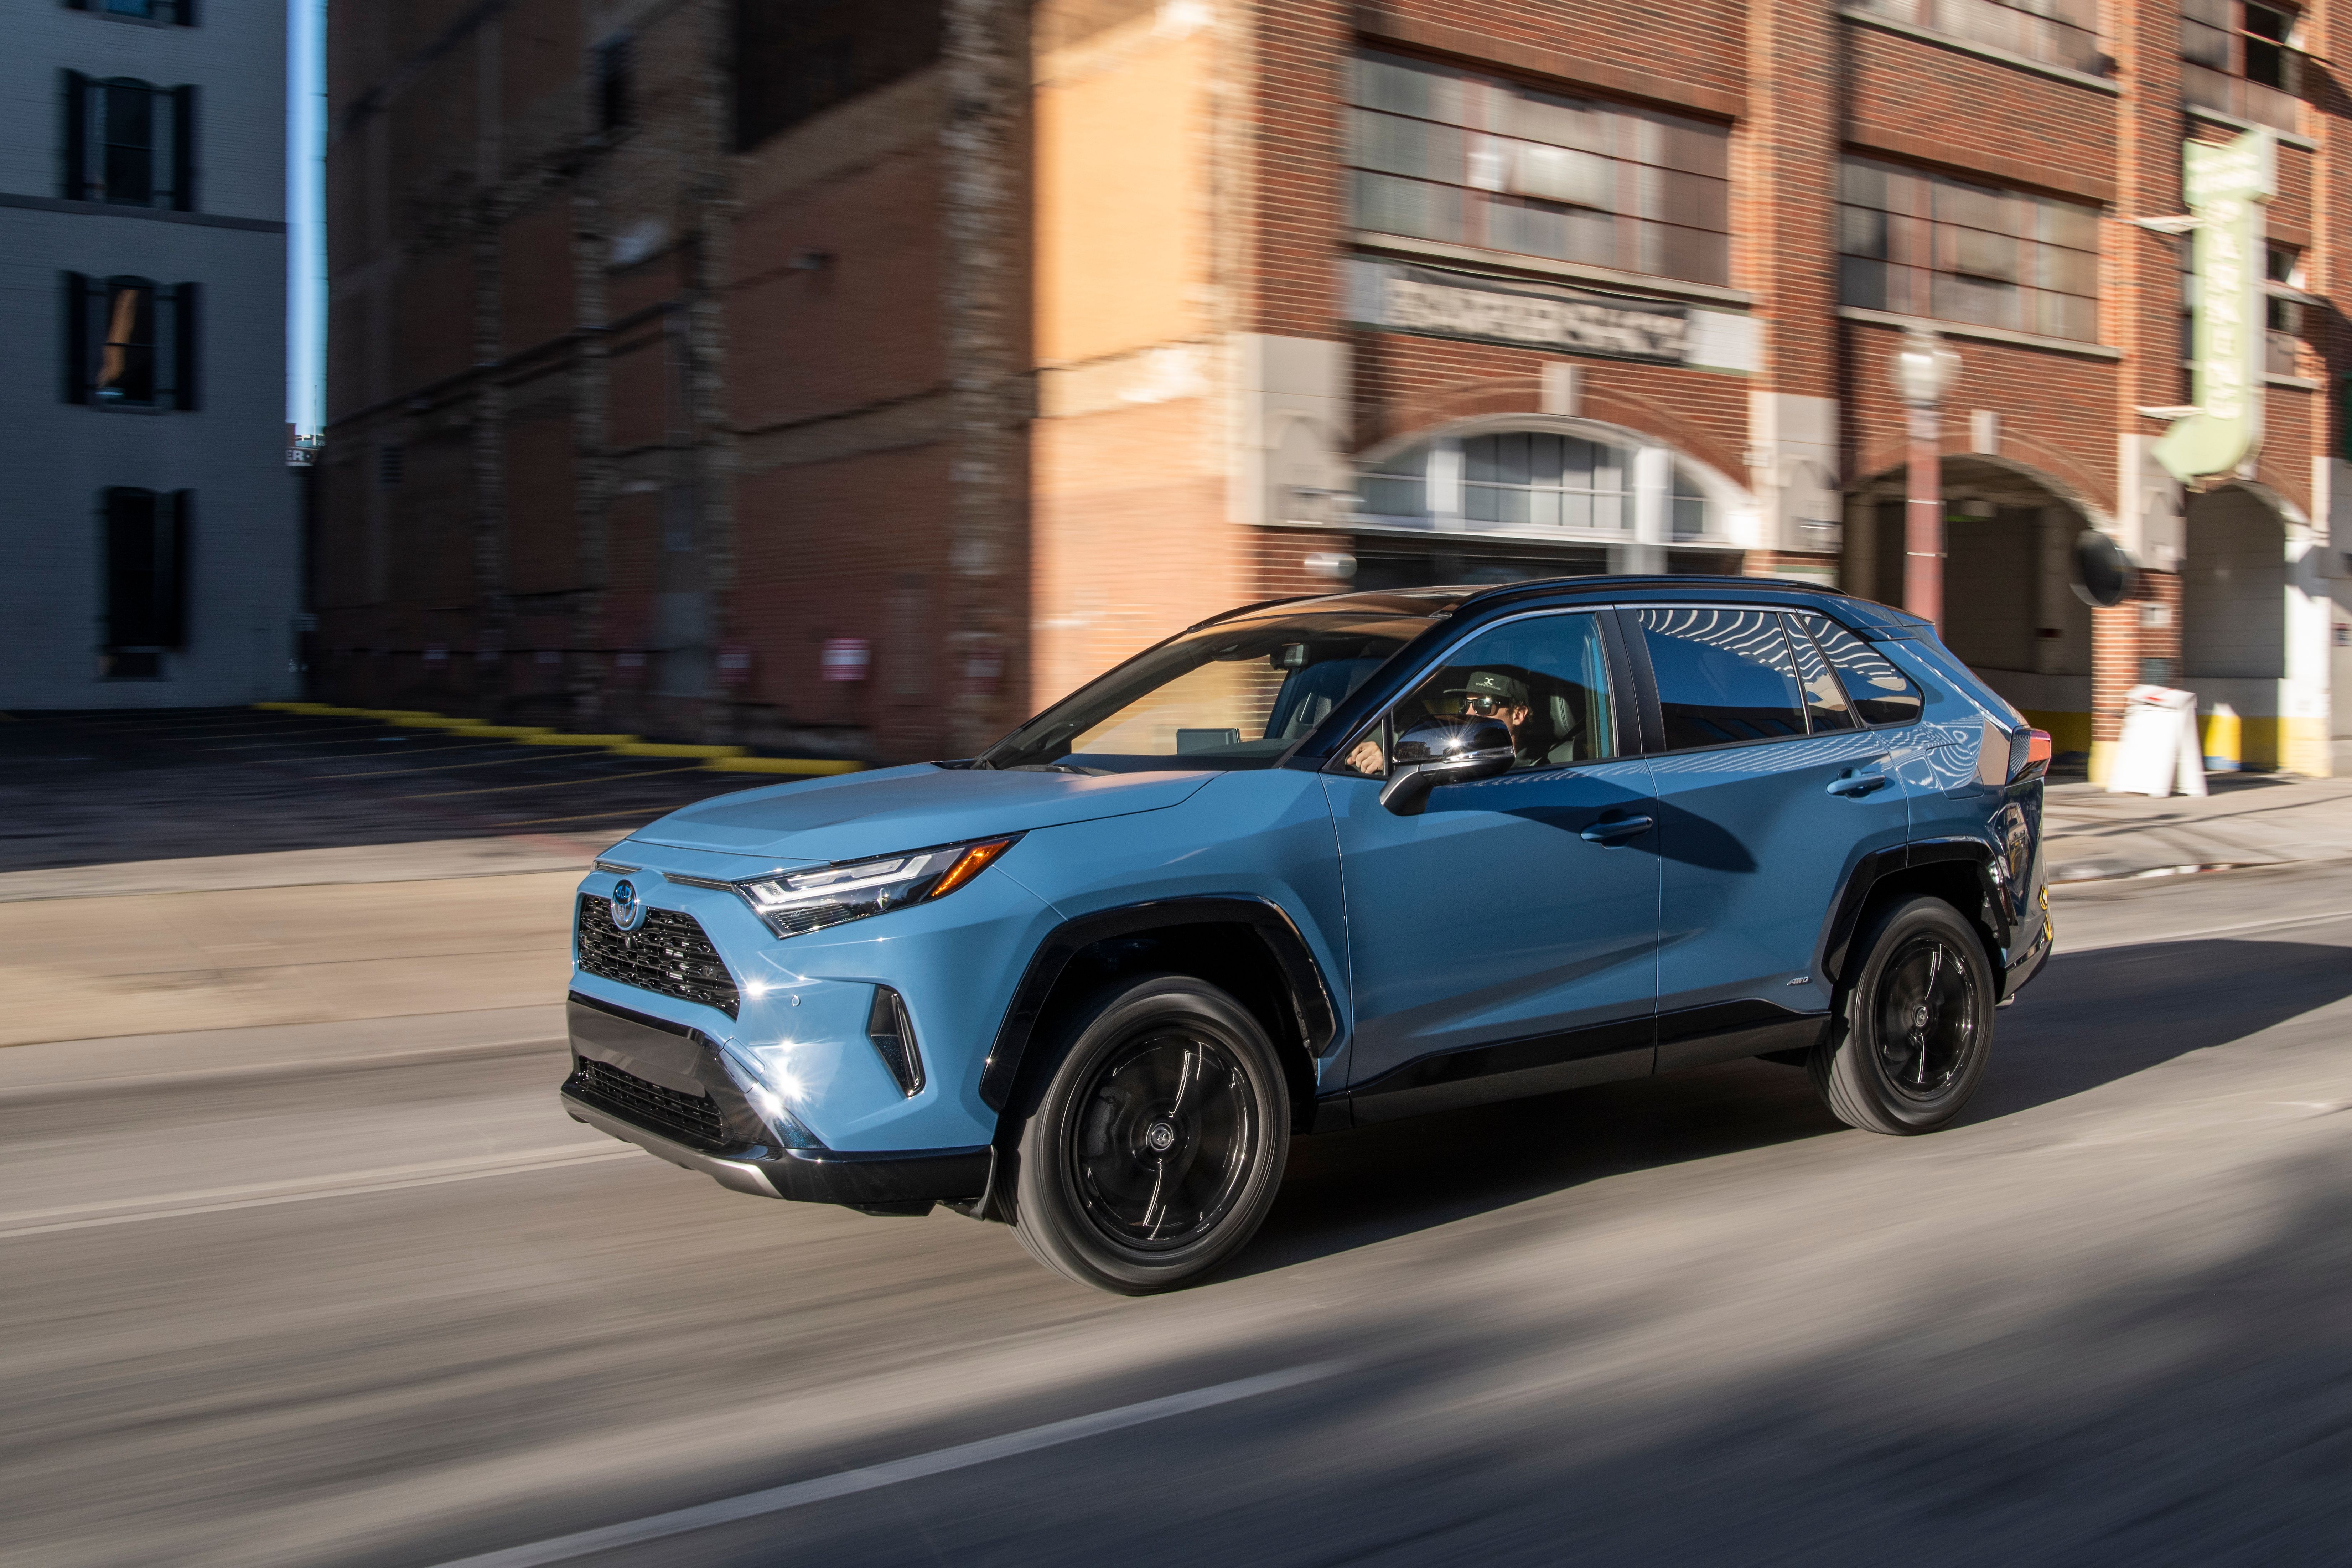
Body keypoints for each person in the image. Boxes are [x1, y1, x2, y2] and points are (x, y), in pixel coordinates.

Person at [1343, 669, 1541, 775]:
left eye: (1484, 705)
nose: (1470, 713)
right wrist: (1389, 761)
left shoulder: (1534, 774)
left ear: (1518, 715)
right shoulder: (1456, 751)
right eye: (1465, 704)